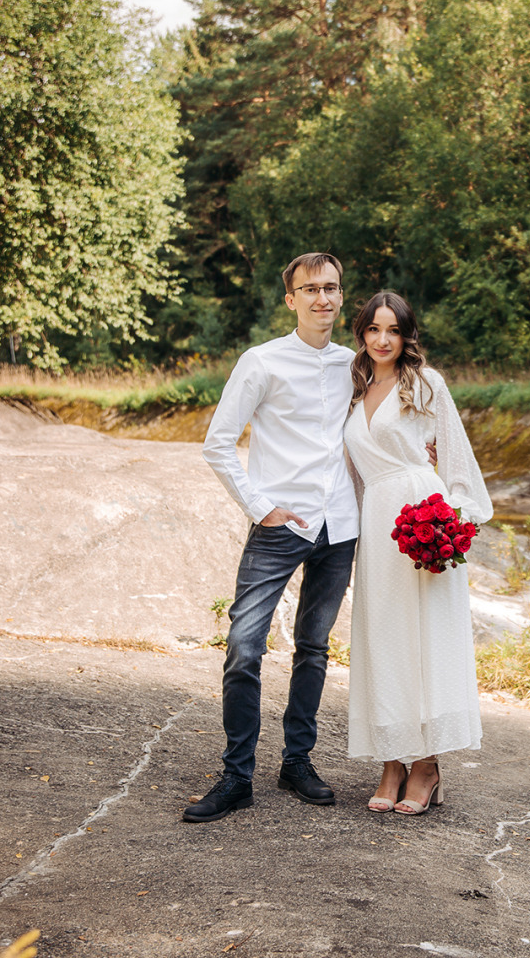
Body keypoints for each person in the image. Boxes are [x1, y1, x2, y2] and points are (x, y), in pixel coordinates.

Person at [188, 252, 359, 821]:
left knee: (314, 647)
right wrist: (261, 508)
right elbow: (218, 442)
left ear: (340, 294)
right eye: (310, 290)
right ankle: (237, 776)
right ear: (290, 300)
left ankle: (297, 762)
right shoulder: (261, 361)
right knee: (244, 647)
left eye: (331, 288)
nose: (323, 299)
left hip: (340, 526)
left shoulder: (355, 364)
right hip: (281, 526)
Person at [343, 292, 493, 815]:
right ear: (361, 334)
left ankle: (426, 765)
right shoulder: (353, 386)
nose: (383, 340)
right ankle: (391, 760)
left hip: (420, 518)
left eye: (393, 330)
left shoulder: (426, 384)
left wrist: (448, 521)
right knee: (384, 638)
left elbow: (456, 459)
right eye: (373, 330)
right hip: (376, 522)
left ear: (407, 336)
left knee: (426, 638)